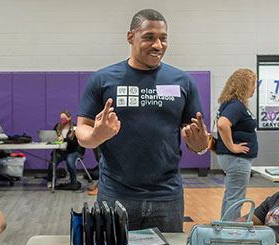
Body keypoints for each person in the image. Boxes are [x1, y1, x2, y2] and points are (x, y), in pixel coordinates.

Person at [77, 8, 209, 232]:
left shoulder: (183, 82)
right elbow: (82, 131)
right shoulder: (102, 80)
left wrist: (200, 147)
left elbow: (198, 139)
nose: (157, 45)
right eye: (149, 37)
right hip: (116, 194)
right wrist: (95, 137)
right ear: (131, 37)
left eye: (163, 38)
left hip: (167, 196)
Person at [215, 69, 258, 220]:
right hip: (237, 159)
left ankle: (224, 226)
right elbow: (222, 124)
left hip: (233, 159)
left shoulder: (229, 103)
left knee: (230, 195)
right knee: (236, 198)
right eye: (253, 84)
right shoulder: (236, 105)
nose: (255, 88)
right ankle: (230, 230)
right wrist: (232, 146)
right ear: (245, 85)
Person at [47, 110, 83, 190]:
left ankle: (74, 181)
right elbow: (53, 137)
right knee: (53, 162)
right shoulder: (57, 126)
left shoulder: (74, 127)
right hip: (60, 151)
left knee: (70, 162)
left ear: (69, 118)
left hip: (72, 151)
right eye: (61, 118)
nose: (63, 120)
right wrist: (55, 139)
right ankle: (50, 180)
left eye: (64, 118)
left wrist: (64, 139)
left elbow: (75, 143)